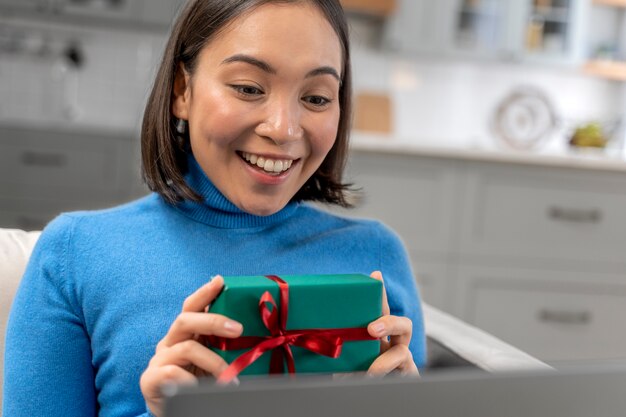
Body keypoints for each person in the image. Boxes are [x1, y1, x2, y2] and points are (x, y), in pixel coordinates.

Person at [3, 0, 426, 416]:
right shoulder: (75, 253)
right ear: (181, 92)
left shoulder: (377, 255)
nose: (283, 129)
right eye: (248, 88)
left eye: (316, 98)